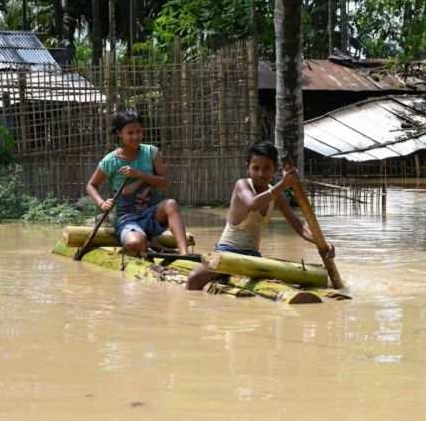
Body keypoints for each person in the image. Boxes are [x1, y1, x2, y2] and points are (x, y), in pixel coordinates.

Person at [186, 140, 334, 290]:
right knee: (193, 279)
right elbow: (252, 203)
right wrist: (283, 184)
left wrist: (322, 244)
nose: (261, 174)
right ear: (247, 168)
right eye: (255, 168)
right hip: (227, 253)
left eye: (266, 168)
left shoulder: (279, 197)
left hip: (253, 257)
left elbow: (299, 227)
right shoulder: (242, 185)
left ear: (275, 168)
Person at [85, 110, 189, 256]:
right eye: (130, 133)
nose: (135, 136)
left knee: (171, 204)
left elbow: (165, 183)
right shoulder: (110, 161)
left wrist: (138, 174)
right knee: (135, 243)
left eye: (138, 132)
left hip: (150, 215)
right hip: (126, 220)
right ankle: (147, 242)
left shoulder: (151, 152)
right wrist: (102, 203)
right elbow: (91, 185)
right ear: (119, 133)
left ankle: (184, 254)